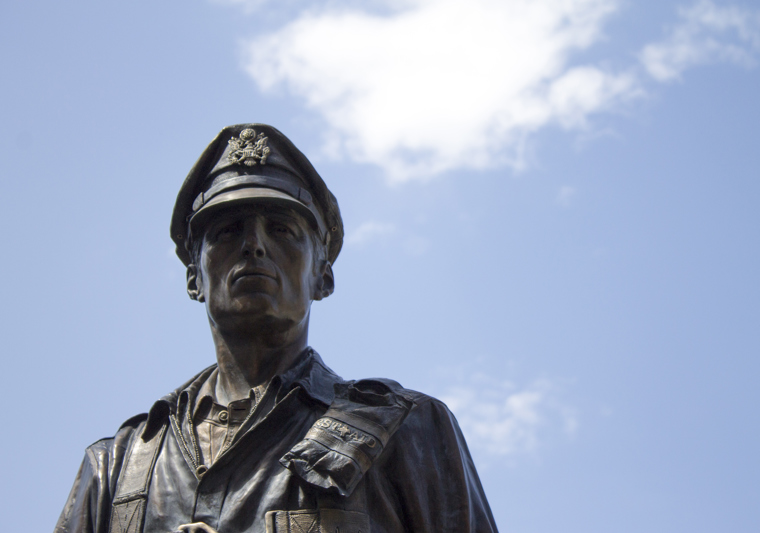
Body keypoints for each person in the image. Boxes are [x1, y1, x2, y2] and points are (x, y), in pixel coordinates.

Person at [55, 124, 498, 533]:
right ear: (195, 278)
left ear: (322, 276)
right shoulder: (116, 465)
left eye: (282, 230)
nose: (254, 244)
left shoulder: (405, 430)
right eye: (228, 231)